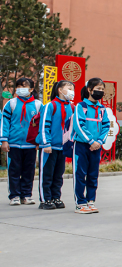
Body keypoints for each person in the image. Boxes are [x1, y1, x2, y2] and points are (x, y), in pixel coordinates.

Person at [72, 78, 111, 214]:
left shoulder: (102, 109)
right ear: (89, 90)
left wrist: (99, 142)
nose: (100, 92)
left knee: (93, 175)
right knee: (80, 174)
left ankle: (91, 201)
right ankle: (80, 203)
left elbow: (106, 126)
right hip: (82, 146)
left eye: (102, 89)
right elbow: (78, 125)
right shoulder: (80, 106)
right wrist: (91, 141)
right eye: (97, 89)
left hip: (96, 147)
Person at [1, 78, 41, 206]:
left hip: (30, 144)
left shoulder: (38, 105)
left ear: (31, 89)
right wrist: (4, 140)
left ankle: (27, 195)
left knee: (29, 171)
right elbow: (4, 122)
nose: (19, 89)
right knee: (14, 171)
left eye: (23, 86)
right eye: (18, 86)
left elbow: (42, 124)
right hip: (13, 144)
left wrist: (39, 141)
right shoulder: (11, 104)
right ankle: (14, 195)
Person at [36, 80, 75, 210]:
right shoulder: (50, 106)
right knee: (46, 173)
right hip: (49, 147)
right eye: (69, 88)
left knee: (58, 174)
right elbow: (44, 126)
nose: (71, 91)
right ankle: (45, 199)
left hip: (62, 147)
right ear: (60, 89)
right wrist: (46, 143)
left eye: (72, 88)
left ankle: (55, 197)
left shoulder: (72, 107)